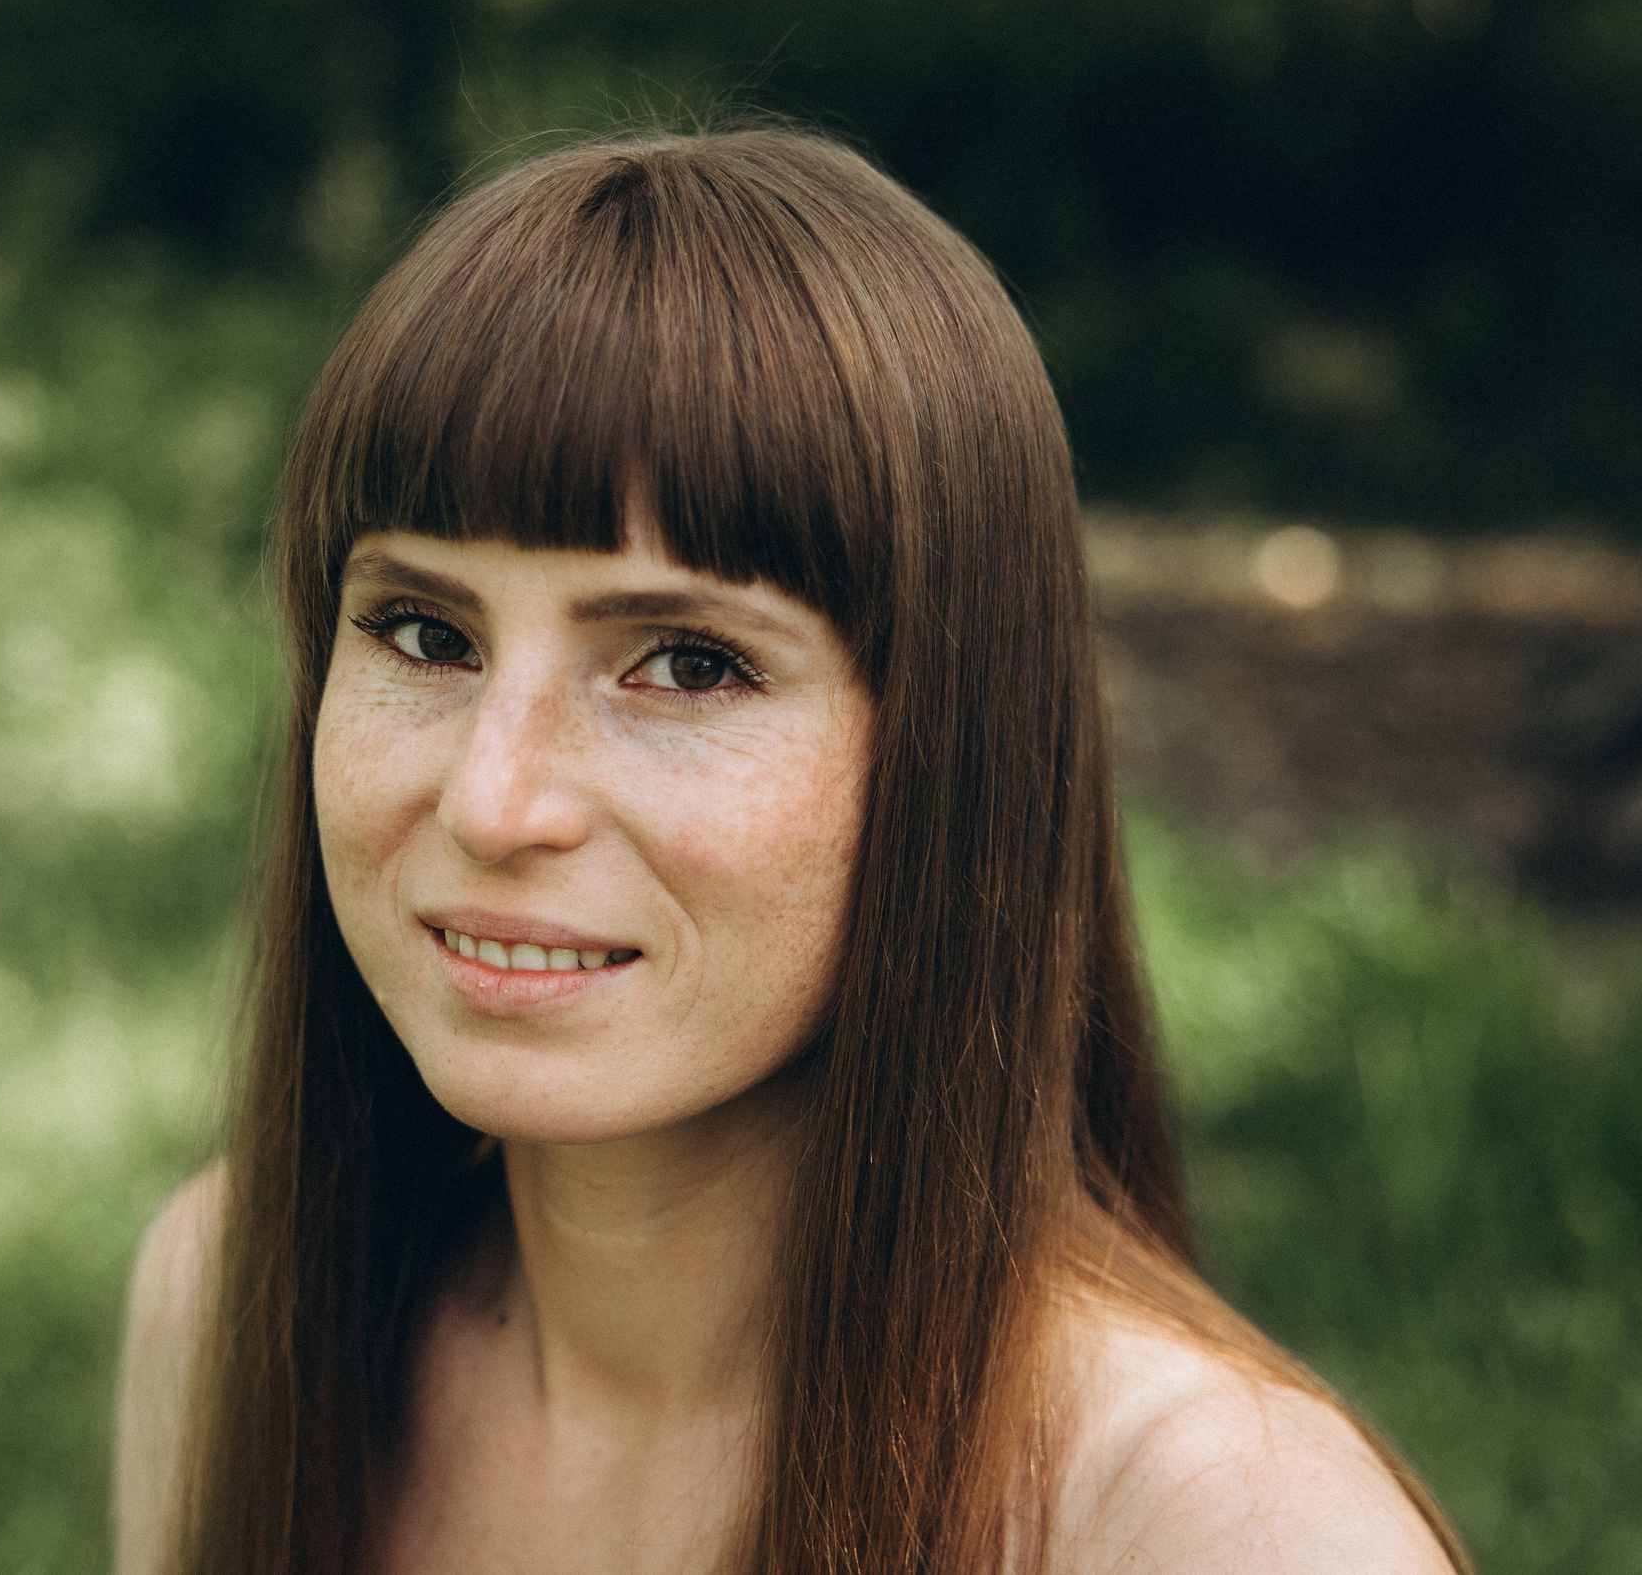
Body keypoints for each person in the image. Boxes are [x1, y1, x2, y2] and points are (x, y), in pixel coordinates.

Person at [113, 128, 1472, 1574]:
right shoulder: (236, 1307)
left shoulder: (1223, 1532)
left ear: (951, 750)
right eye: (425, 634)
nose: (494, 803)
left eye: (687, 665)